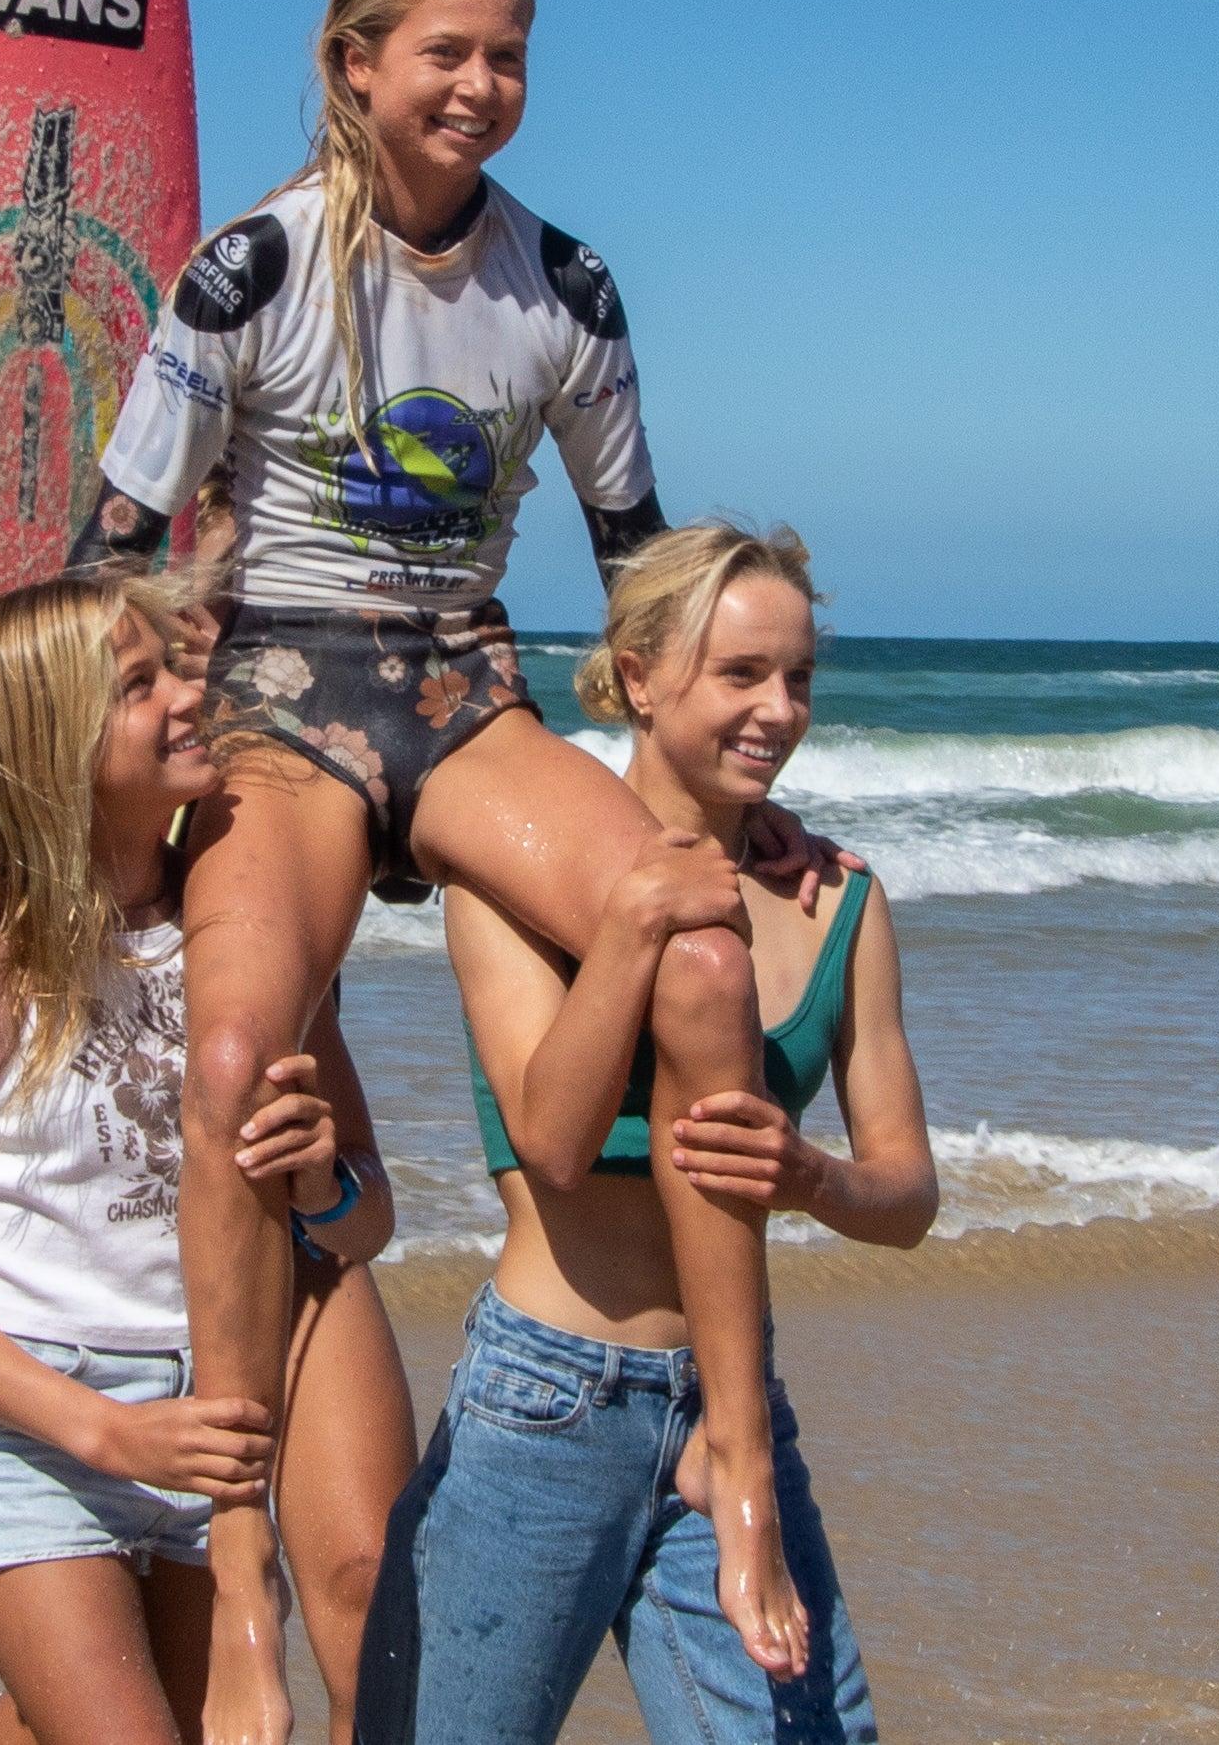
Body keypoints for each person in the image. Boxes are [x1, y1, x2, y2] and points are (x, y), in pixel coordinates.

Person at [77, 0, 835, 1735]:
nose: (483, 87)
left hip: (459, 692)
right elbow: (115, 557)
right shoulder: (252, 267)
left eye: (508, 56)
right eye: (447, 54)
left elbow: (642, 572)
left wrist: (724, 781)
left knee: (696, 939)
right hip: (277, 692)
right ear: (356, 67)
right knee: (239, 1059)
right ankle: (240, 1566)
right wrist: (93, 777)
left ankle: (733, 1445)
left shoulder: (563, 289)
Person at [356, 522, 932, 1744]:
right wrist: (630, 925)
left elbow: (908, 1192)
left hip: (730, 1413)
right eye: (740, 675)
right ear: (635, 674)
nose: (776, 710)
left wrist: (811, 1174)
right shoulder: (509, 869)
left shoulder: (841, 898)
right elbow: (552, 1141)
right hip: (545, 1405)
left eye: (798, 678)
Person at [0, 572, 410, 1745]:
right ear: (55, 741)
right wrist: (102, 1431)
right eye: (140, 683)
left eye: (174, 666)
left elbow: (366, 1213)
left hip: (214, 1404)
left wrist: (317, 1184)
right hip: (31, 1425)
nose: (191, 693)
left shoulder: (245, 933)